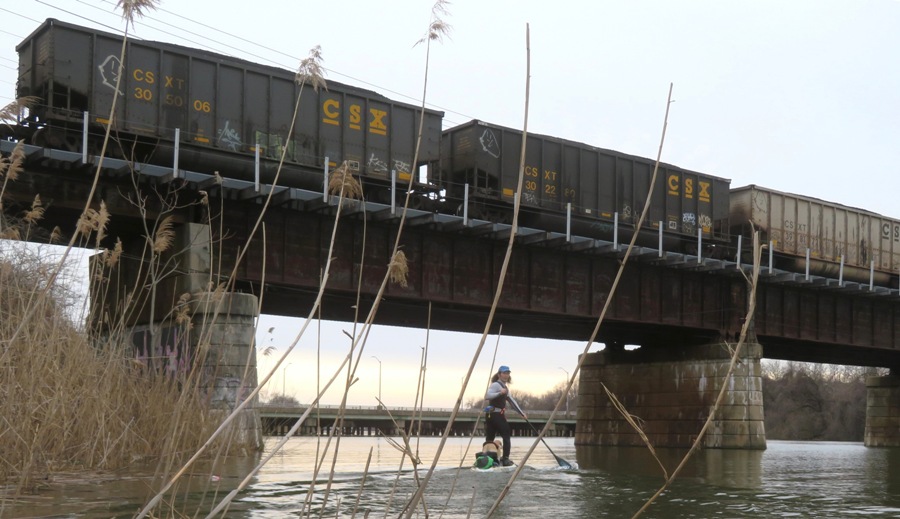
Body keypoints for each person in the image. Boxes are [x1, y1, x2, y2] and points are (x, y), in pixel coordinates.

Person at [483, 365, 526, 466]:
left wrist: (521, 413)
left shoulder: (505, 387)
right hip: (495, 415)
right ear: (499, 374)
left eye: (508, 373)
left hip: (492, 415)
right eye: (504, 373)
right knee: (506, 435)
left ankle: (488, 457)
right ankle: (505, 458)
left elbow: (512, 402)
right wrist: (499, 393)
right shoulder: (496, 385)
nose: (506, 375)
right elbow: (487, 396)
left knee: (490, 437)